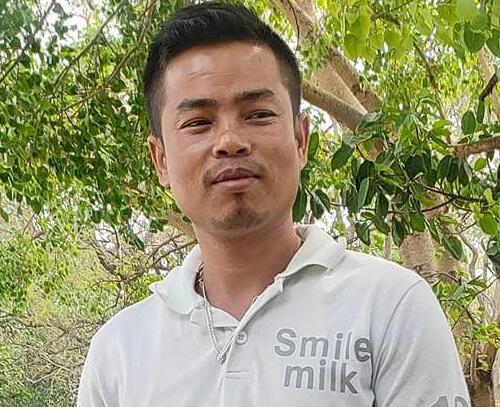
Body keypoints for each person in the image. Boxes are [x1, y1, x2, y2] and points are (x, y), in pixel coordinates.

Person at [77, 2, 471, 406]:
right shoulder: (119, 353)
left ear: (300, 140)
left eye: (258, 114)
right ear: (160, 160)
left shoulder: (391, 308)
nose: (229, 141)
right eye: (198, 122)